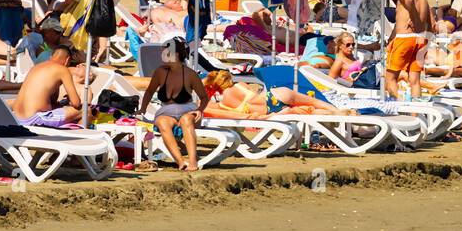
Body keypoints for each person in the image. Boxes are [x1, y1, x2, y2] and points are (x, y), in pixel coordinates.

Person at [139, 39, 209, 171]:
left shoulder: (190, 74)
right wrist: (142, 108)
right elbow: (149, 92)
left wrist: (200, 110)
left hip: (188, 110)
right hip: (166, 111)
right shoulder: (160, 72)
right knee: (161, 122)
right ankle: (180, 161)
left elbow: (204, 97)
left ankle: (193, 161)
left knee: (186, 119)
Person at [202, 70, 344, 120]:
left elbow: (208, 108)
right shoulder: (240, 85)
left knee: (310, 113)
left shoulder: (223, 103)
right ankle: (339, 111)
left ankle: (338, 114)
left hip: (273, 111)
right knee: (312, 103)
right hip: (276, 94)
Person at [383, 0, 432, 99]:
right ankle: (415, 112)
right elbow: (431, 23)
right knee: (415, 80)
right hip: (421, 39)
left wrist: (414, 16)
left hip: (405, 38)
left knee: (390, 78)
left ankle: (398, 108)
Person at [11, 45, 84, 127]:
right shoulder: (62, 69)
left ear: (51, 57)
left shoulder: (35, 67)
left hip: (15, 118)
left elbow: (53, 102)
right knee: (85, 111)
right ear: (67, 61)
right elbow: (76, 103)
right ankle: (78, 136)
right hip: (35, 119)